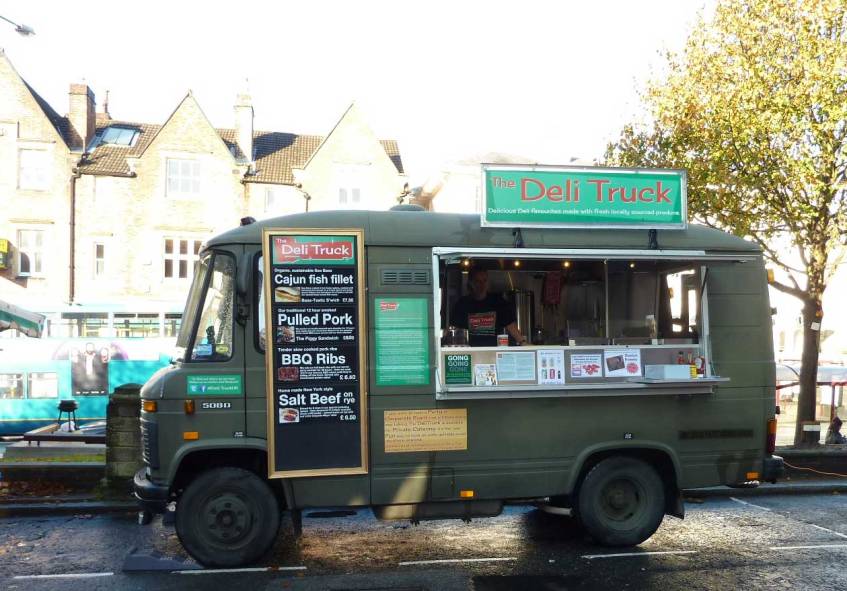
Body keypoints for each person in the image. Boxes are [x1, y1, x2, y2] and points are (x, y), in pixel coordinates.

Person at [451, 268, 527, 347]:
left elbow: (511, 325)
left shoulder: (498, 301)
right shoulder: (462, 304)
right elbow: (454, 329)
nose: (482, 284)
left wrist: (522, 342)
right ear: (471, 283)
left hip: (494, 351)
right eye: (478, 281)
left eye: (484, 281)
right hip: (471, 351)